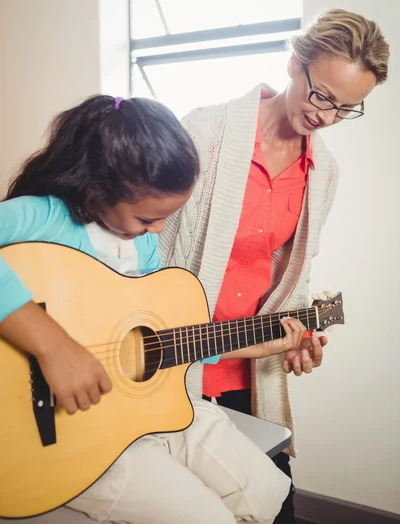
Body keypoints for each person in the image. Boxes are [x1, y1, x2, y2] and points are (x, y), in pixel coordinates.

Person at [0, 95, 308, 524]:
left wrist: (249, 346)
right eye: (147, 220)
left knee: (269, 490)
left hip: (145, 412)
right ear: (97, 189)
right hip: (78, 441)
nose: (158, 231)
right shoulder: (41, 217)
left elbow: (159, 334)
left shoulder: (142, 246)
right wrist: (53, 346)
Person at [159, 8, 390, 522]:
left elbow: (292, 275)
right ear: (293, 63)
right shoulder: (203, 132)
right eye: (322, 96)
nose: (327, 117)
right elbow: (145, 251)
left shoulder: (324, 171)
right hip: (168, 367)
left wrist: (300, 336)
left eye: (347, 109)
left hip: (247, 370)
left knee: (275, 506)